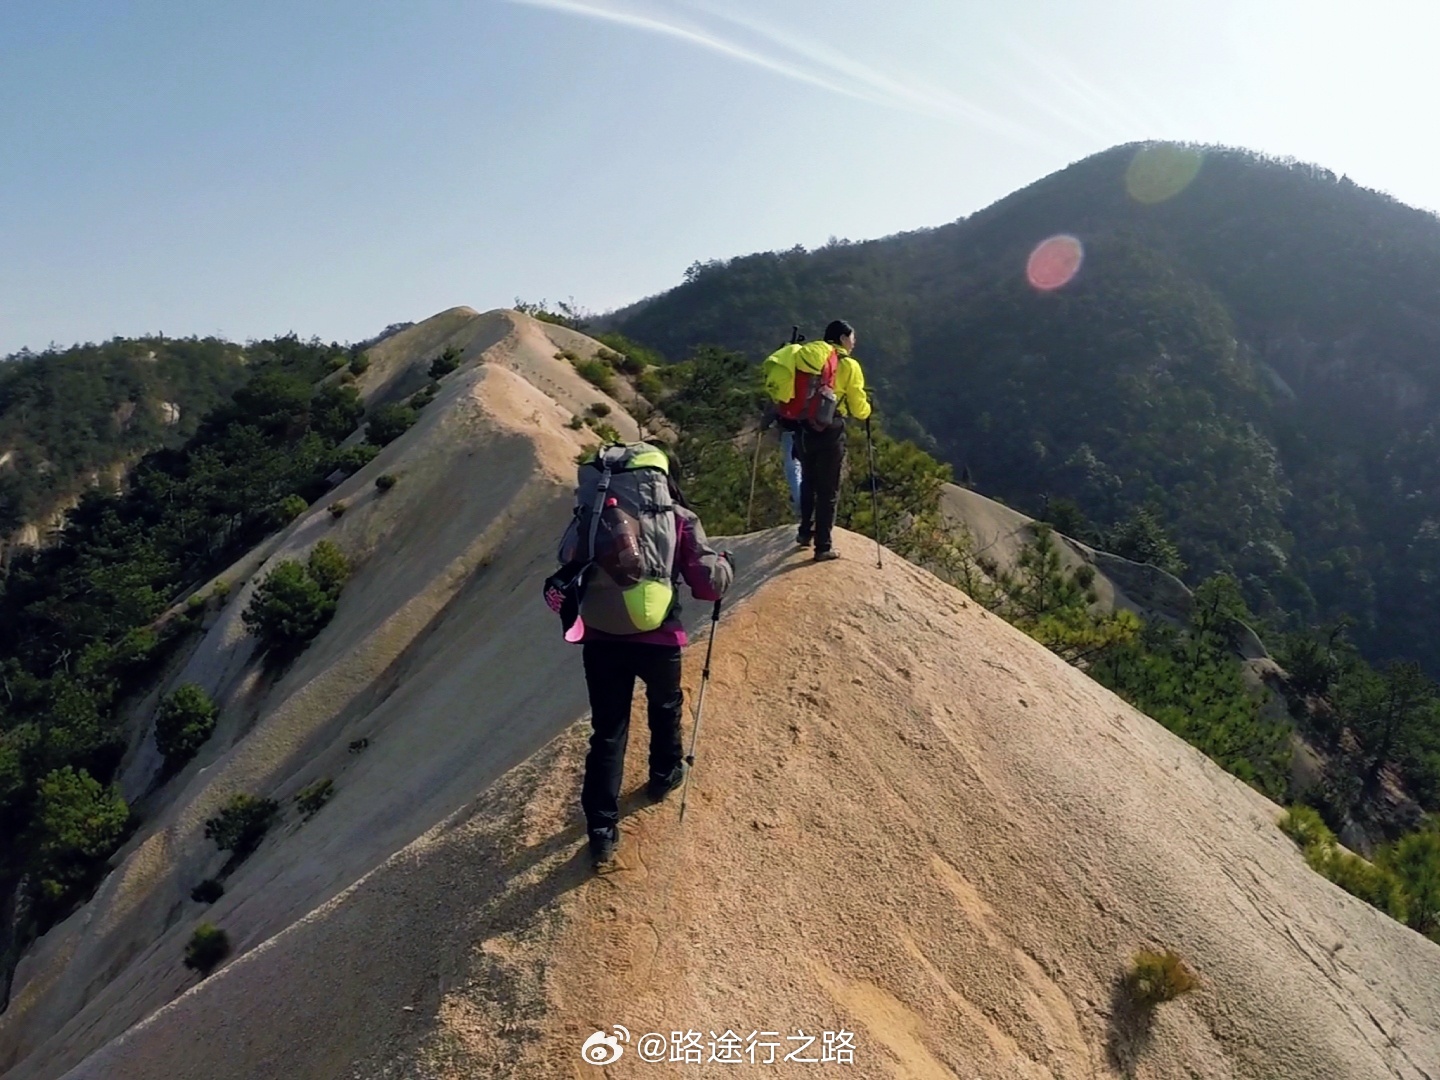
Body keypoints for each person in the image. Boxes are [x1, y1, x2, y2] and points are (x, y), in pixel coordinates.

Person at [545, 444, 733, 866]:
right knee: (664, 704)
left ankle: (601, 828)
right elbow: (707, 585)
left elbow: (568, 561)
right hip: (657, 636)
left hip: (599, 635)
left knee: (608, 731)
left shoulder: (591, 518)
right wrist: (726, 566)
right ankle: (663, 775)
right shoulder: (676, 519)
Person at [763, 320, 871, 561]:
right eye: (853, 338)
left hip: (803, 427)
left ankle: (804, 533)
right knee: (828, 488)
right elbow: (857, 406)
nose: (854, 343)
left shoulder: (807, 359)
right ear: (843, 338)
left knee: (809, 481)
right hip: (831, 428)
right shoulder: (849, 365)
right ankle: (823, 546)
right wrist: (866, 412)